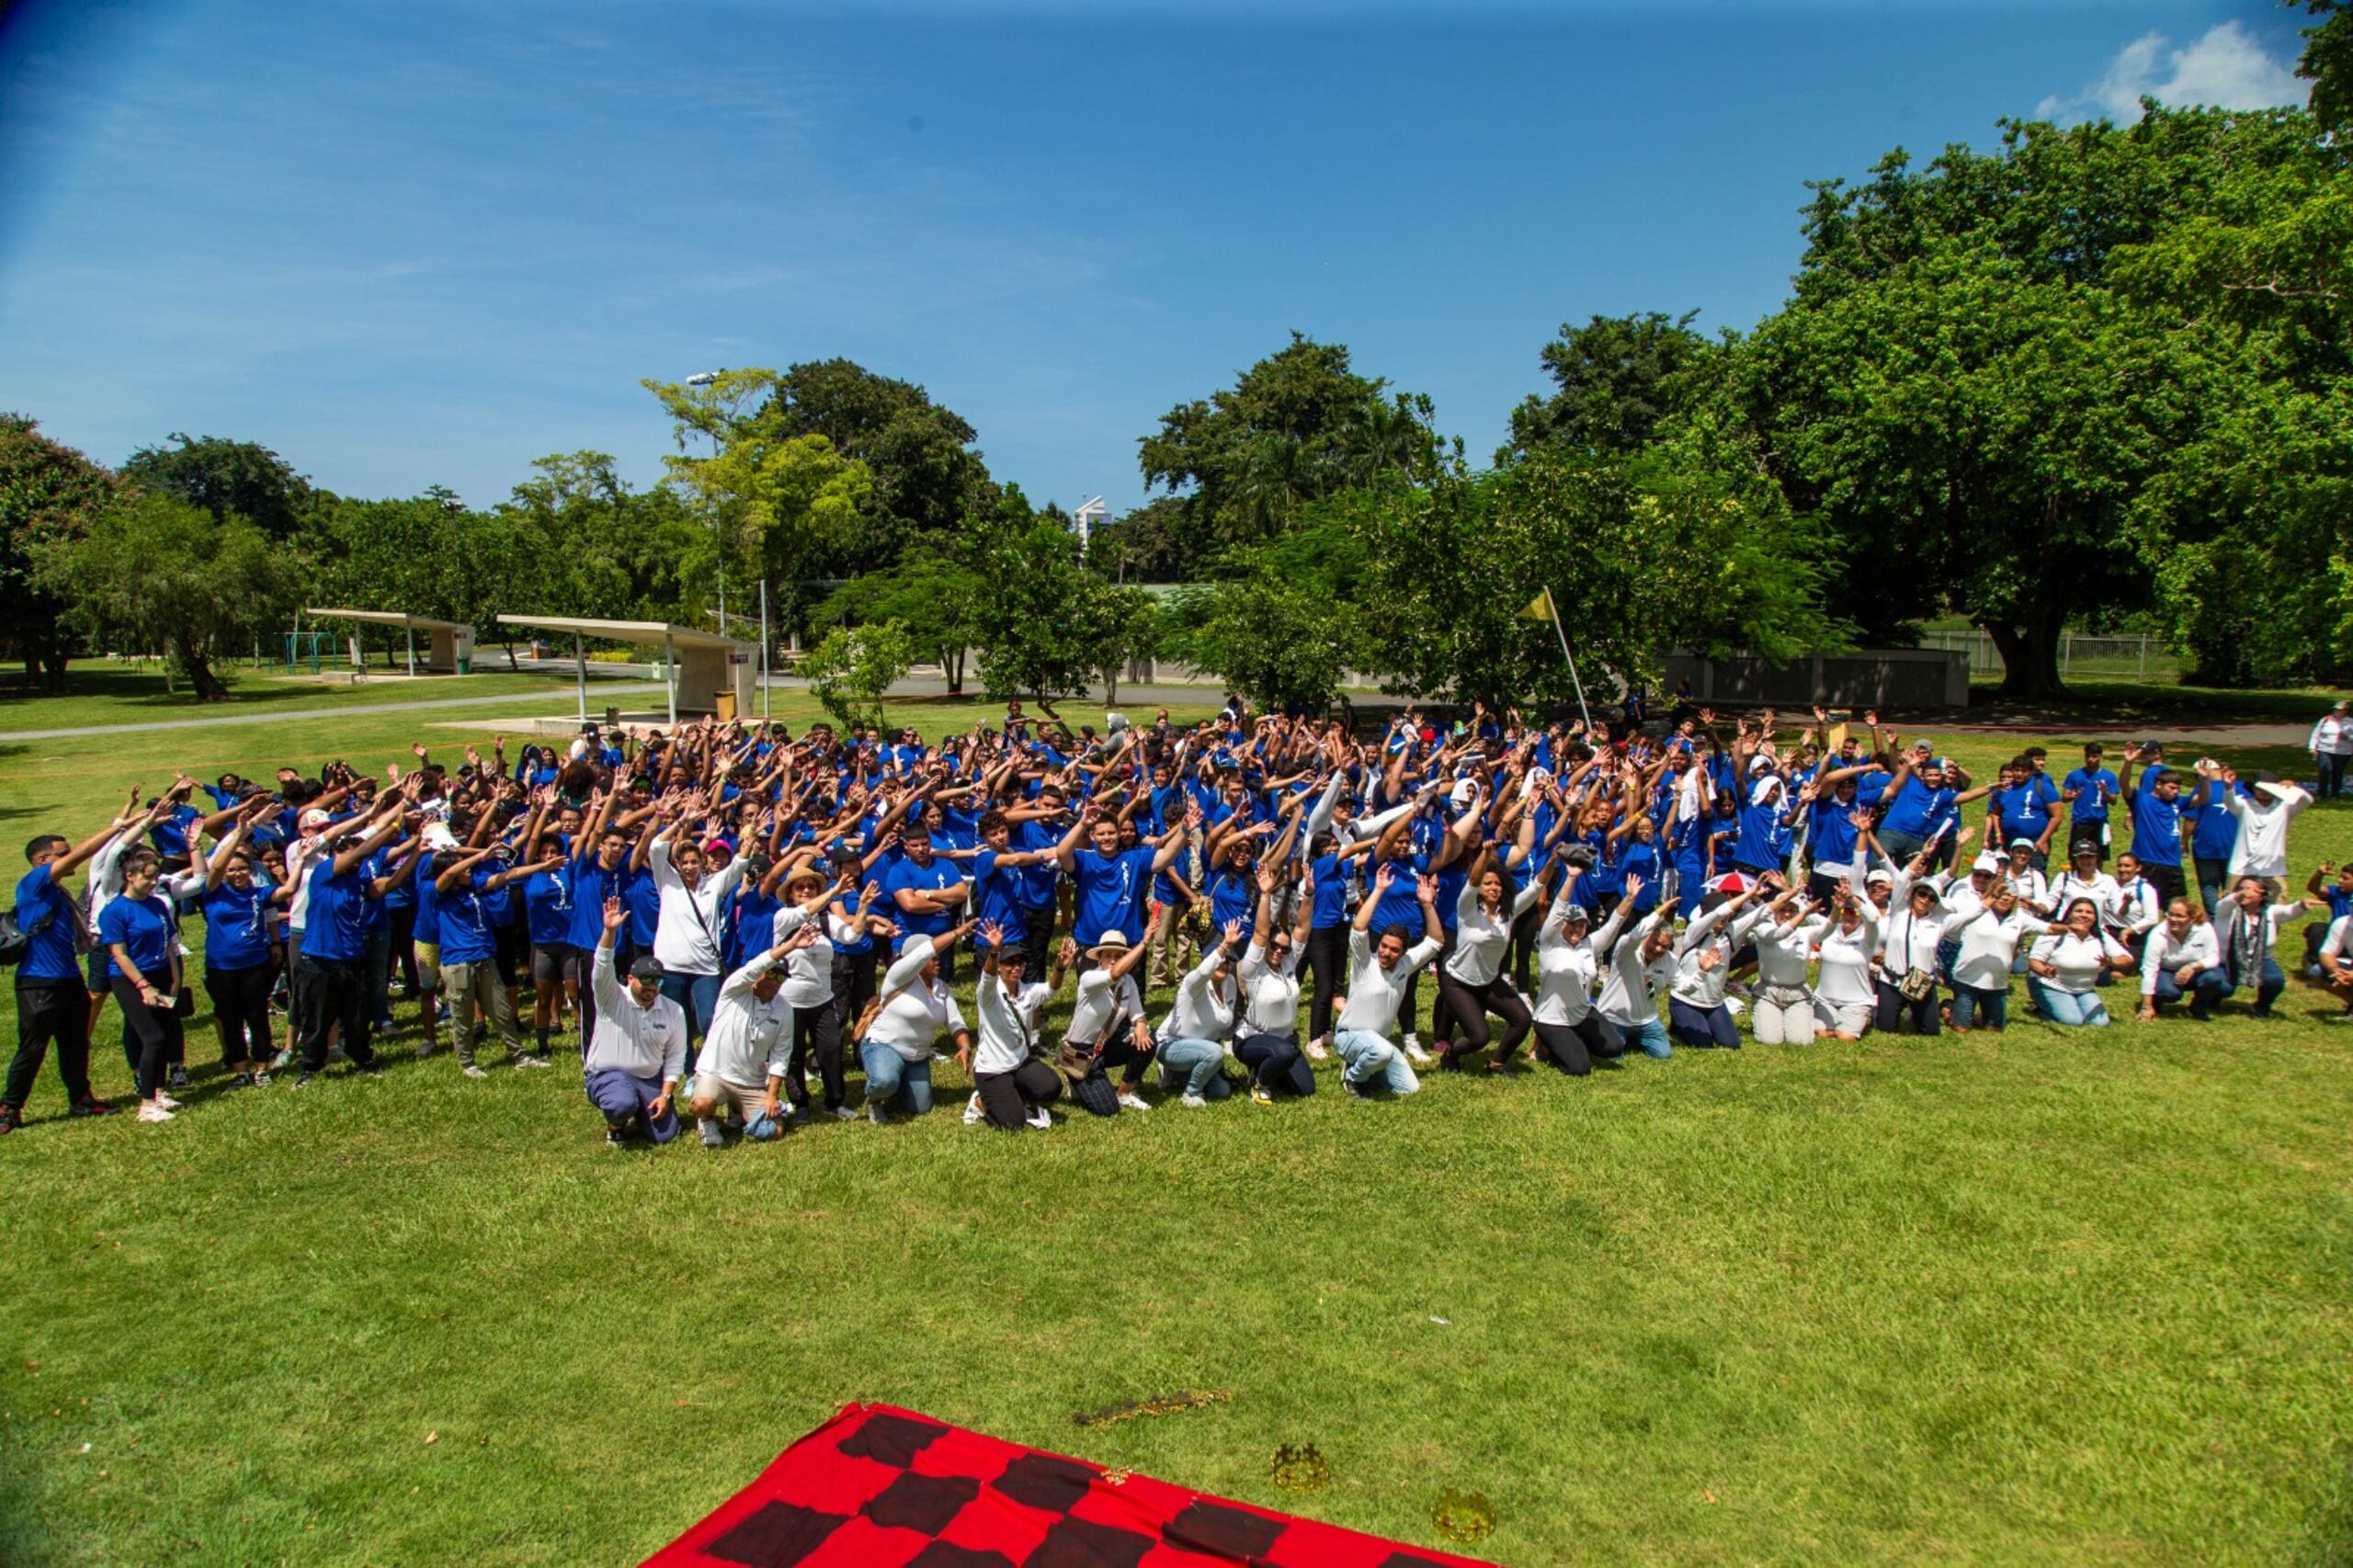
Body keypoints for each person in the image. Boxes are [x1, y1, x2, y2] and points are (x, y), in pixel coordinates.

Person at [5, 818, 132, 1132]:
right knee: (33, 1047)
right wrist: (117, 826)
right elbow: (85, 854)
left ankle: (81, 1099)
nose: (71, 855)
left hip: (68, 978)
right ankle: (9, 1108)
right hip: (38, 980)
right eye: (63, 853)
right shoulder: (33, 883)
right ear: (42, 861)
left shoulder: (56, 892)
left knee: (76, 1043)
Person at [687, 922, 817, 1147]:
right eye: (770, 974)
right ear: (759, 974)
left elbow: (780, 1055)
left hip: (750, 1082)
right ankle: (706, 1121)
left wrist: (772, 1096)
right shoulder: (734, 990)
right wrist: (791, 945)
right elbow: (755, 966)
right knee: (702, 1104)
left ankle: (739, 1109)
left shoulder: (784, 1008)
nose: (774, 982)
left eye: (780, 978)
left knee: (774, 1131)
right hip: (715, 1074)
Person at [1332, 864, 1443, 1098]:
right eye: (1383, 946)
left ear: (1403, 953)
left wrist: (1427, 904)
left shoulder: (1406, 964)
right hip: (1348, 1037)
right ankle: (1353, 1076)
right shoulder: (1365, 963)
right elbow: (1359, 927)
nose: (1385, 953)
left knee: (1409, 1088)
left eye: (1393, 950)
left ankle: (1370, 1069)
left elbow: (1436, 941)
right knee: (1381, 1051)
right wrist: (1378, 890)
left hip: (1380, 1042)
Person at [585, 897, 688, 1146]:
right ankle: (616, 1125)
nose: (653, 986)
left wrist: (665, 1095)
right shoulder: (612, 997)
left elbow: (675, 1059)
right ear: (630, 979)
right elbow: (601, 967)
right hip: (608, 1075)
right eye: (647, 980)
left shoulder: (673, 1010)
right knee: (622, 1103)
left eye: (658, 981)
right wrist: (610, 932)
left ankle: (641, 1109)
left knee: (667, 1135)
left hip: (649, 1079)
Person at [1433, 848, 1545, 1073]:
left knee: (1522, 1019)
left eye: (1497, 884)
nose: (1494, 888)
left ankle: (1497, 1063)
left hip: (1487, 981)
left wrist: (1552, 861)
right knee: (1479, 1037)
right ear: (1479, 889)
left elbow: (1536, 887)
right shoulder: (1467, 909)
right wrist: (1484, 854)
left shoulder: (1508, 912)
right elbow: (1473, 879)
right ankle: (1451, 1054)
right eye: (1488, 884)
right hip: (1457, 980)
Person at [97, 849, 185, 1122]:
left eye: (155, 877)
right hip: (131, 979)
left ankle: (159, 1092)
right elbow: (119, 954)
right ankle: (146, 1104)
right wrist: (143, 985)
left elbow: (170, 942)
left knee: (164, 1032)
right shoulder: (114, 911)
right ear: (130, 876)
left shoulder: (157, 904)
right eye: (147, 877)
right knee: (153, 1038)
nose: (151, 882)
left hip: (160, 973)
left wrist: (175, 978)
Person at [858, 921, 976, 1123]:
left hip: (917, 1057)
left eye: (937, 957)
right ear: (915, 962)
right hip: (884, 1046)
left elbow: (956, 1022)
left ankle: (897, 1080)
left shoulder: (942, 989)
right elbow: (924, 951)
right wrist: (957, 932)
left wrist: (965, 1047)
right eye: (933, 957)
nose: (937, 960)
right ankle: (874, 1099)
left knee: (920, 1108)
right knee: (884, 1081)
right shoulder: (898, 978)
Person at [1531, 867, 1633, 1071]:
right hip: (1552, 1018)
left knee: (1614, 1048)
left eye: (1581, 925)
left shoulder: (1589, 945)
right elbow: (1558, 908)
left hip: (1582, 1013)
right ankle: (1547, 1044)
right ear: (1562, 925)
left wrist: (1630, 897)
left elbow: (1614, 924)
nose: (1577, 929)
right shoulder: (1550, 943)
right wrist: (1571, 878)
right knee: (1580, 1068)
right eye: (1572, 924)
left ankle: (1574, 1039)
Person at [1053, 921, 1159, 1117]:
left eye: (1119, 955)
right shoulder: (1088, 979)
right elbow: (1115, 972)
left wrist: (1142, 1024)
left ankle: (1124, 1091)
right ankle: (1076, 1078)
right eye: (1108, 955)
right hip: (1080, 1051)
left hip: (1104, 1045)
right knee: (1107, 1110)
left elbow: (1137, 1014)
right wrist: (1144, 942)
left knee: (1149, 1041)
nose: (1113, 960)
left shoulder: (1128, 982)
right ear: (1099, 959)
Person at [1233, 869, 1316, 1102]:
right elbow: (1261, 931)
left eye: (1284, 948)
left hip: (1285, 1040)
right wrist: (1266, 894)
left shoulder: (1288, 962)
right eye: (1274, 946)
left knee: (1305, 1089)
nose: (1279, 951)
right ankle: (1259, 1085)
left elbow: (1301, 929)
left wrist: (1308, 894)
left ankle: (1270, 1068)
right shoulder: (1254, 967)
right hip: (1251, 1038)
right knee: (1282, 1053)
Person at [968, 923, 1061, 1131]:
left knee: (1052, 1088)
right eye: (1009, 962)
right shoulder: (988, 994)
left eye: (1020, 963)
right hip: (992, 1069)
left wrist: (1060, 967)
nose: (1016, 967)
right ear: (999, 966)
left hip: (1020, 1063)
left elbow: (1051, 989)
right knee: (1013, 1124)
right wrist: (994, 951)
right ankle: (979, 1102)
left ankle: (1014, 1095)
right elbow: (988, 977)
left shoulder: (1028, 991)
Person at [1156, 918, 1245, 1107]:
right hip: (1171, 1044)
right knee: (1215, 1053)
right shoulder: (1193, 982)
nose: (1224, 965)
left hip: (1202, 1048)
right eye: (1220, 960)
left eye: (1228, 961)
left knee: (1222, 1091)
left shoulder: (1229, 983)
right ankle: (1191, 1092)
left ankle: (1177, 1075)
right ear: (1207, 960)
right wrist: (1225, 945)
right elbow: (1204, 972)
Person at [2209, 875, 2309, 1018]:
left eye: (2250, 889)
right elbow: (2225, 903)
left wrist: (2302, 905)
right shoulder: (2226, 910)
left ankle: (2262, 1006)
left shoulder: (2270, 912)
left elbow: (2290, 911)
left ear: (2262, 894)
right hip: (2226, 960)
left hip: (2261, 959)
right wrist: (2239, 895)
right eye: (2241, 889)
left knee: (2275, 980)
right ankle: (2212, 999)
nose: (2245, 892)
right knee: (2223, 987)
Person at [2026, 897, 2134, 1026]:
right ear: (2070, 914)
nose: (2083, 915)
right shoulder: (2056, 933)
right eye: (2079, 911)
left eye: (2089, 912)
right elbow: (2033, 961)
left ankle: (2069, 1005)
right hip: (2051, 985)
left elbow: (2127, 959)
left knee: (2101, 1023)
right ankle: (2039, 1008)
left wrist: (2111, 961)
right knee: (2074, 1021)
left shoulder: (2100, 937)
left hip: (2084, 989)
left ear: (2095, 918)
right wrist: (2045, 972)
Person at [2118, 746, 2189, 906]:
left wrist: (2205, 781)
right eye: (2172, 788)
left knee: (2178, 906)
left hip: (2172, 864)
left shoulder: (2178, 802)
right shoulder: (2141, 799)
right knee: (2144, 906)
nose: (2175, 792)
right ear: (2158, 785)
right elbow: (2124, 784)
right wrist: (2128, 763)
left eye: (2178, 789)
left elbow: (2201, 799)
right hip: (2147, 861)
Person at [2137, 899, 2227, 1021]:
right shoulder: (2157, 934)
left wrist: (2192, 967)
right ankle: (2154, 1004)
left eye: (2179, 916)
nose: (2173, 919)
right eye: (2170, 914)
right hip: (2166, 971)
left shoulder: (2205, 928)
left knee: (2214, 977)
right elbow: (2149, 970)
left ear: (2192, 918)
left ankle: (2197, 1009)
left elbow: (2214, 958)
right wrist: (2146, 1007)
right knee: (2169, 993)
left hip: (2195, 972)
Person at [2061, 744, 2120, 864]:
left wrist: (2105, 793)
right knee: (2076, 856)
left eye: (2094, 756)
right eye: (2088, 756)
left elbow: (2113, 801)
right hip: (2080, 822)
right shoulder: (2075, 775)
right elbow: (2064, 797)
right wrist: (2072, 796)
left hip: (2099, 822)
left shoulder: (2109, 776)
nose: (2090, 759)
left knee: (2098, 858)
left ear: (2100, 757)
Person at [2309, 700, 2352, 800]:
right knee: (2325, 769)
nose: (2337, 712)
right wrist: (2312, 747)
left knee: (2338, 772)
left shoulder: (2350, 722)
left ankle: (2335, 794)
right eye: (2336, 709)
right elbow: (2316, 733)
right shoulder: (2326, 720)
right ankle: (2321, 793)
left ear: (2345, 711)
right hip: (2324, 749)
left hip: (2343, 752)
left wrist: (2347, 737)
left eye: (2340, 710)